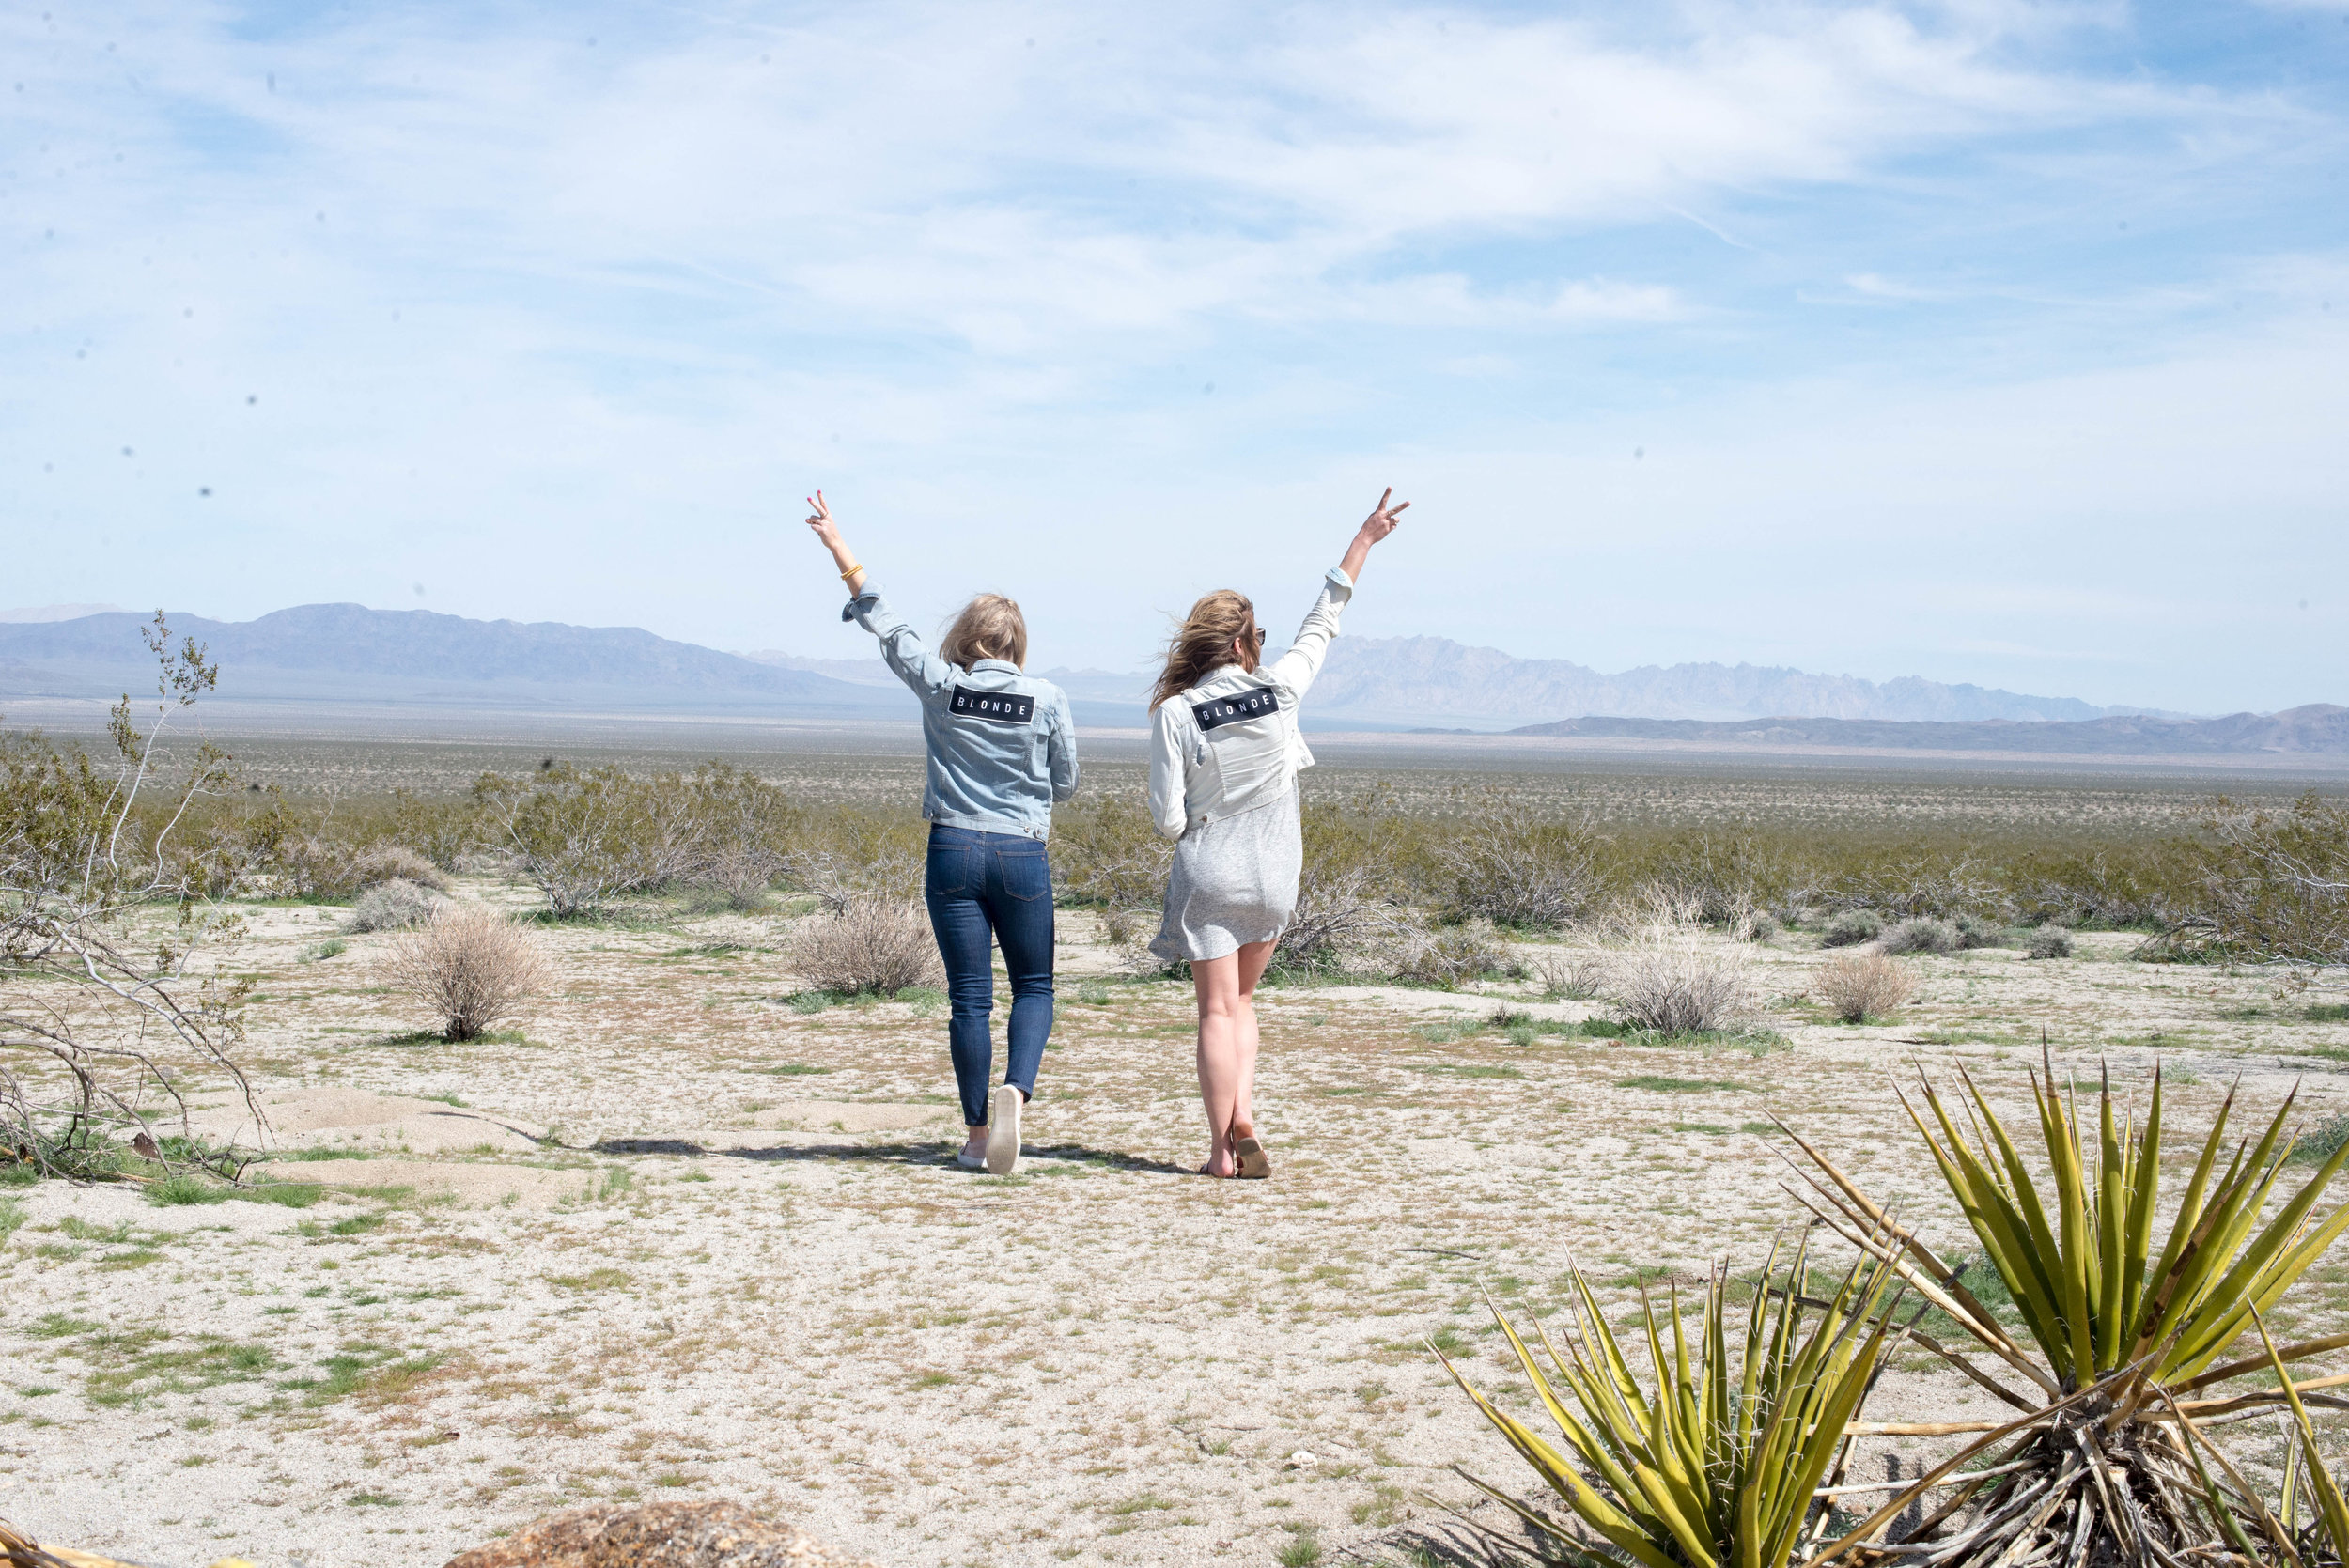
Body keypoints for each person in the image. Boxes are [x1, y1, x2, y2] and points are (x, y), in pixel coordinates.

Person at [803, 491, 1079, 1176]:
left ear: (967, 637)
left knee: (969, 997)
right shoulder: (1046, 698)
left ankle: (979, 1134)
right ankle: (1017, 1086)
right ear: (1015, 644)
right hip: (1020, 851)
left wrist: (842, 551)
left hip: (952, 848)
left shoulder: (944, 687)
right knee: (1034, 986)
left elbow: (891, 630)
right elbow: (1067, 780)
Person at [1146, 489, 1408, 1178]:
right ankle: (1246, 1116)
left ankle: (1217, 1153)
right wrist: (1364, 540)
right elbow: (1324, 622)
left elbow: (1167, 817)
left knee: (1212, 1011)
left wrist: (1198, 820)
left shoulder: (1177, 713)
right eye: (1258, 639)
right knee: (1245, 1002)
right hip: (1275, 876)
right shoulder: (1282, 691)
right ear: (1242, 643)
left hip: (1210, 872)